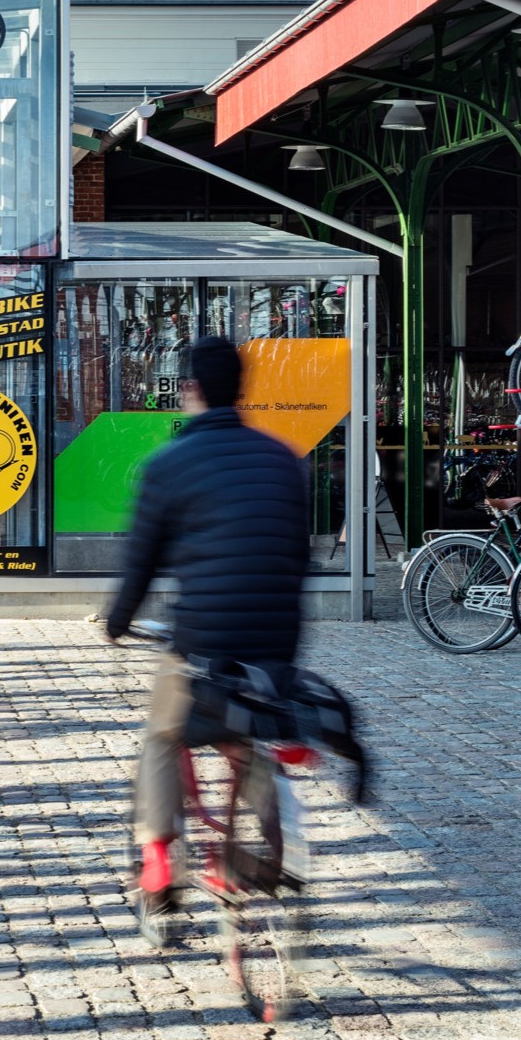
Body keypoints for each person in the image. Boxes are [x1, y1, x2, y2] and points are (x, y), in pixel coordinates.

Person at [106, 334, 311, 913]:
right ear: (241, 390)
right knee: (252, 737)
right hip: (275, 644)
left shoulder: (170, 463)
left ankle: (161, 859)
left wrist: (117, 624)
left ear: (191, 390)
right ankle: (276, 853)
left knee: (164, 737)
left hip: (203, 643)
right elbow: (297, 559)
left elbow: (140, 566)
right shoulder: (283, 458)